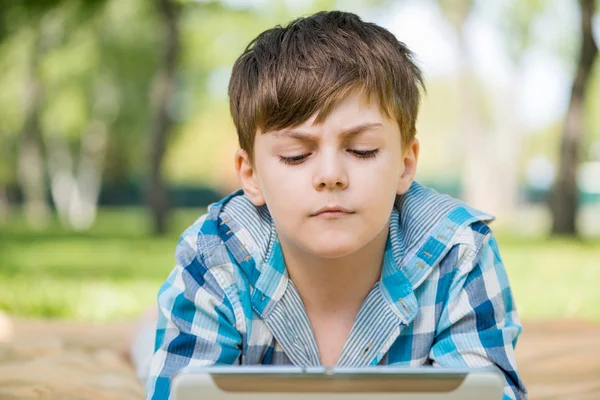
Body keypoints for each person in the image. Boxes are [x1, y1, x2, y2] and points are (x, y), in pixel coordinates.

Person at [141, 10, 527, 400]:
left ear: (405, 165)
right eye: (295, 155)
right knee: (145, 350)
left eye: (362, 150)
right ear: (251, 175)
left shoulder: (458, 253)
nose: (331, 175)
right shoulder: (214, 257)